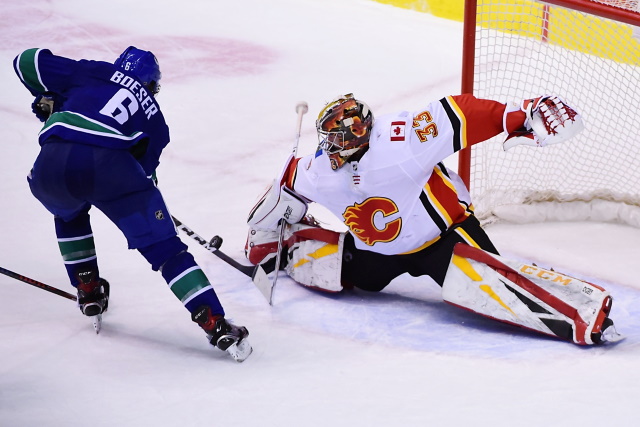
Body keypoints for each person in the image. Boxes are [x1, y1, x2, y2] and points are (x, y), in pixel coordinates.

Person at [245, 93, 622, 346]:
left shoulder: (401, 138)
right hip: (379, 253)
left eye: (334, 138)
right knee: (345, 273)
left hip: (446, 239)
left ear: (353, 136)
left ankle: (584, 316)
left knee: (493, 285)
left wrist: (518, 114)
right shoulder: (321, 168)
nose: (327, 147)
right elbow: (287, 184)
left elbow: (457, 114)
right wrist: (265, 225)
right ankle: (282, 248)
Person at [13, 47, 251, 361]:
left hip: (50, 165)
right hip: (112, 169)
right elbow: (145, 175)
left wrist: (52, 98)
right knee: (167, 251)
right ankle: (214, 322)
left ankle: (87, 287)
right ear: (152, 85)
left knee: (68, 214)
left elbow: (25, 61)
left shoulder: (93, 72)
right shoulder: (156, 120)